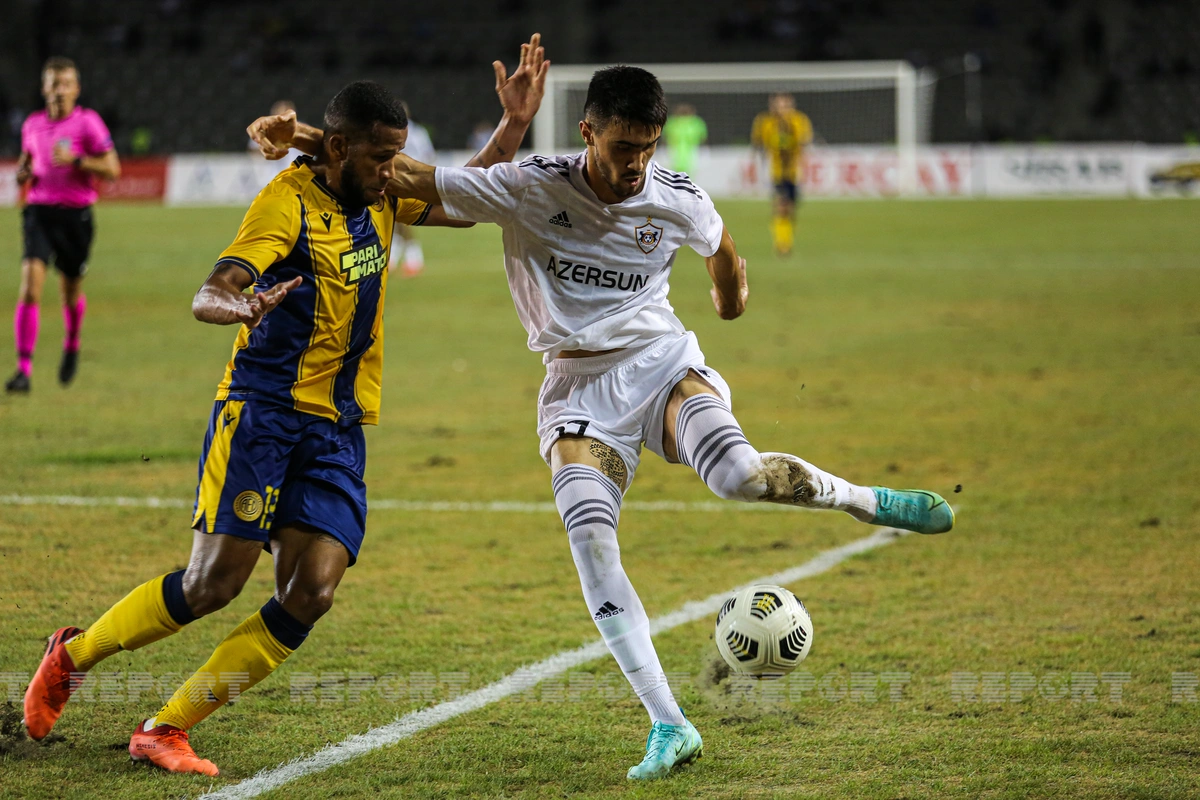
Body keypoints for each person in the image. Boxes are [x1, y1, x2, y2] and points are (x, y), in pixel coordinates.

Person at [382, 66, 954, 780]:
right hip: (577, 389)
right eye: (623, 146)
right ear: (588, 132)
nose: (637, 163)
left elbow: (722, 249)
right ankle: (669, 723)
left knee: (740, 477)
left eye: (647, 147)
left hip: (661, 365)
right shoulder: (531, 186)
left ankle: (868, 502)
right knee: (591, 541)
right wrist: (315, 141)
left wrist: (730, 300)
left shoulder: (675, 196)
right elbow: (413, 183)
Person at [22, 35, 549, 776]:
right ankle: (72, 655)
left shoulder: (380, 191)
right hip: (263, 413)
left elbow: (467, 200)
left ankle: (165, 727)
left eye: (396, 157)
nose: (392, 170)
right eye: (380, 156)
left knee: (313, 589)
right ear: (338, 148)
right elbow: (212, 288)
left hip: (338, 425)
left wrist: (515, 123)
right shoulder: (286, 203)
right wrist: (238, 306)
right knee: (212, 585)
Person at [7, 56, 120, 393]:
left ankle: (71, 342)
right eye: (54, 84)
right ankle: (23, 370)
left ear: (76, 89)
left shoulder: (88, 123)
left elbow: (113, 169)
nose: (60, 90)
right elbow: (26, 164)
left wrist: (78, 160)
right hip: (39, 213)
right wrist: (22, 174)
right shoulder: (32, 124)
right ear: (44, 89)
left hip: (76, 217)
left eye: (66, 84)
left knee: (69, 293)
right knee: (30, 287)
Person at [750, 93, 812, 256]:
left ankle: (786, 239)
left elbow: (804, 141)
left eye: (784, 105)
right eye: (777, 105)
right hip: (775, 171)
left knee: (790, 209)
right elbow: (758, 143)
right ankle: (782, 244)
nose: (780, 109)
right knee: (781, 206)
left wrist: (787, 127)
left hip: (794, 171)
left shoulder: (799, 120)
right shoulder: (765, 121)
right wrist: (755, 164)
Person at [389, 102, 436, 276]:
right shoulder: (392, 132)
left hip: (411, 182)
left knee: (402, 219)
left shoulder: (417, 133)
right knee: (395, 220)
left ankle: (415, 260)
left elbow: (428, 156)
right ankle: (394, 258)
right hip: (396, 181)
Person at [661, 103, 706, 174]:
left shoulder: (672, 122)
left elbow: (665, 136)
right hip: (680, 150)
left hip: (680, 150)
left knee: (677, 171)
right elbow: (702, 137)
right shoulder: (696, 122)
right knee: (686, 170)